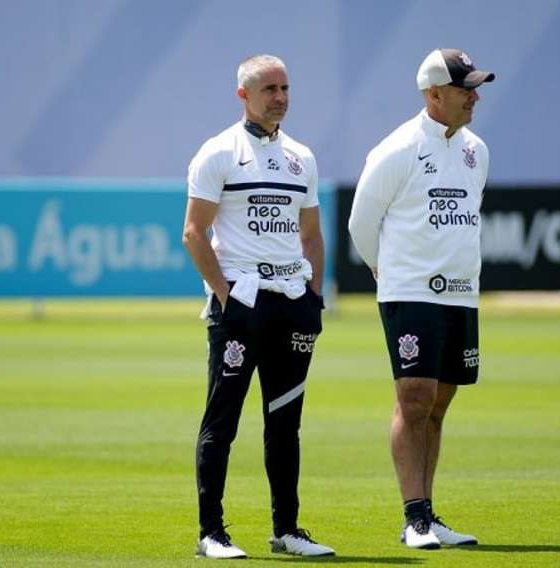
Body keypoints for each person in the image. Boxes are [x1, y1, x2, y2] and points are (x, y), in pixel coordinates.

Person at [182, 54, 334, 559]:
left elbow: (311, 235)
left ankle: (287, 530)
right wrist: (227, 298)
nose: (281, 98)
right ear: (243, 94)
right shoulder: (218, 152)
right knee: (221, 422)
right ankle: (212, 533)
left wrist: (314, 297)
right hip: (241, 308)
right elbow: (193, 233)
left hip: (292, 304)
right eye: (270, 88)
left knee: (285, 424)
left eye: (286, 88)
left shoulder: (301, 157)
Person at [348, 48, 494, 549]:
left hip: (461, 294)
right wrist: (387, 274)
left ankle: (430, 514)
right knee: (414, 399)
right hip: (410, 292)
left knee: (439, 402)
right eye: (464, 89)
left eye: (475, 88)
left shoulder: (477, 149)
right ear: (434, 95)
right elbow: (361, 225)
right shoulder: (397, 149)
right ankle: (413, 519)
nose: (475, 97)